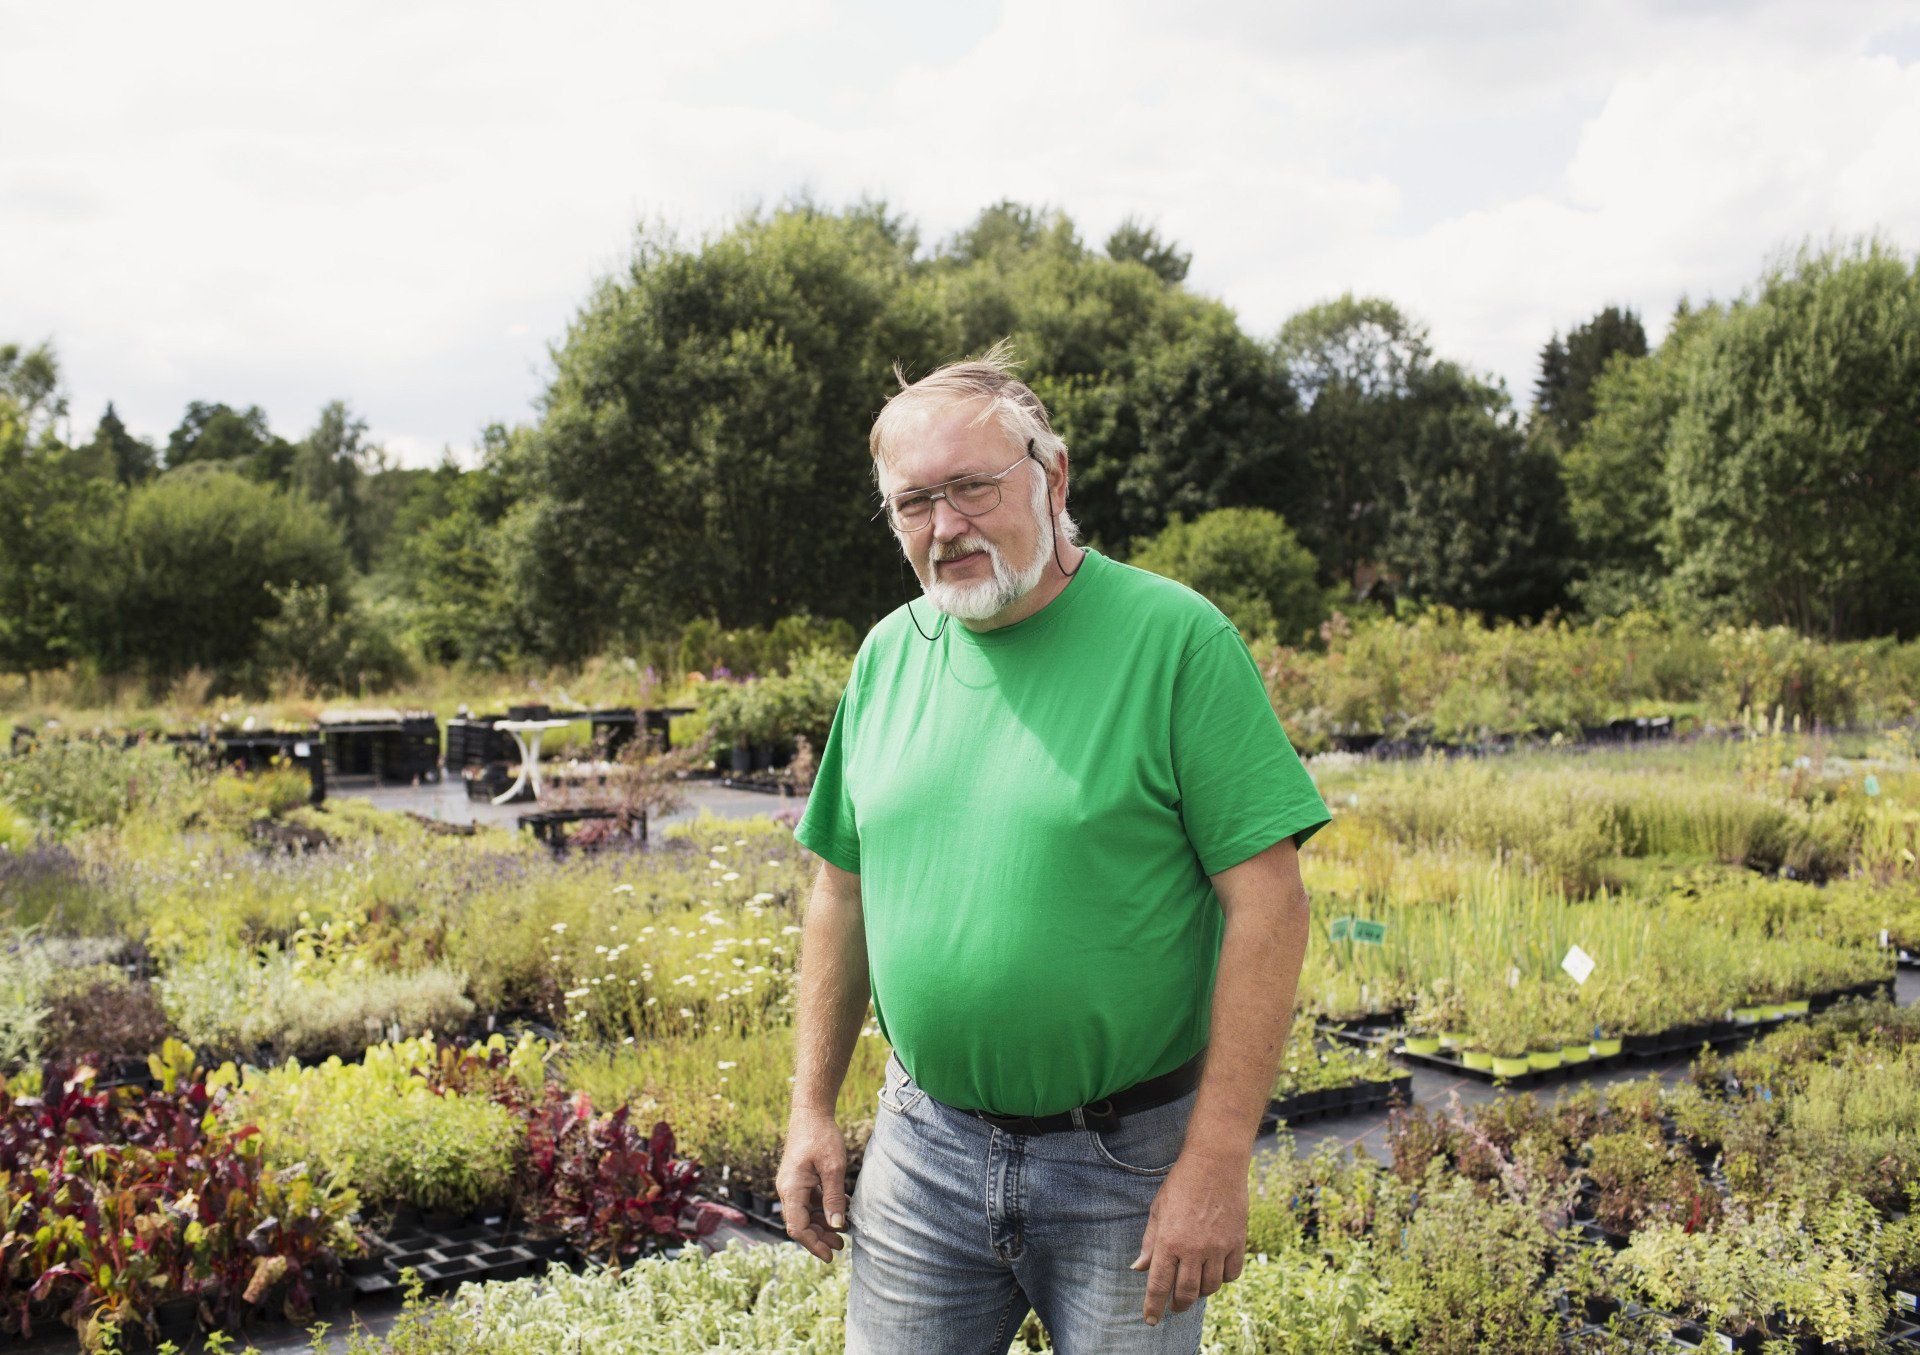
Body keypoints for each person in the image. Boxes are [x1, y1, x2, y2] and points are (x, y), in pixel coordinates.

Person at [779, 341, 1331, 1354]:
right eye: (914, 502)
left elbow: (1270, 903)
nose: (946, 525)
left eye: (974, 487)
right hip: (924, 1149)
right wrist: (812, 1107)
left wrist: (1215, 1160)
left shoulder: (1175, 642)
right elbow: (840, 893)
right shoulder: (889, 656)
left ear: (1053, 474)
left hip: (1126, 1164)